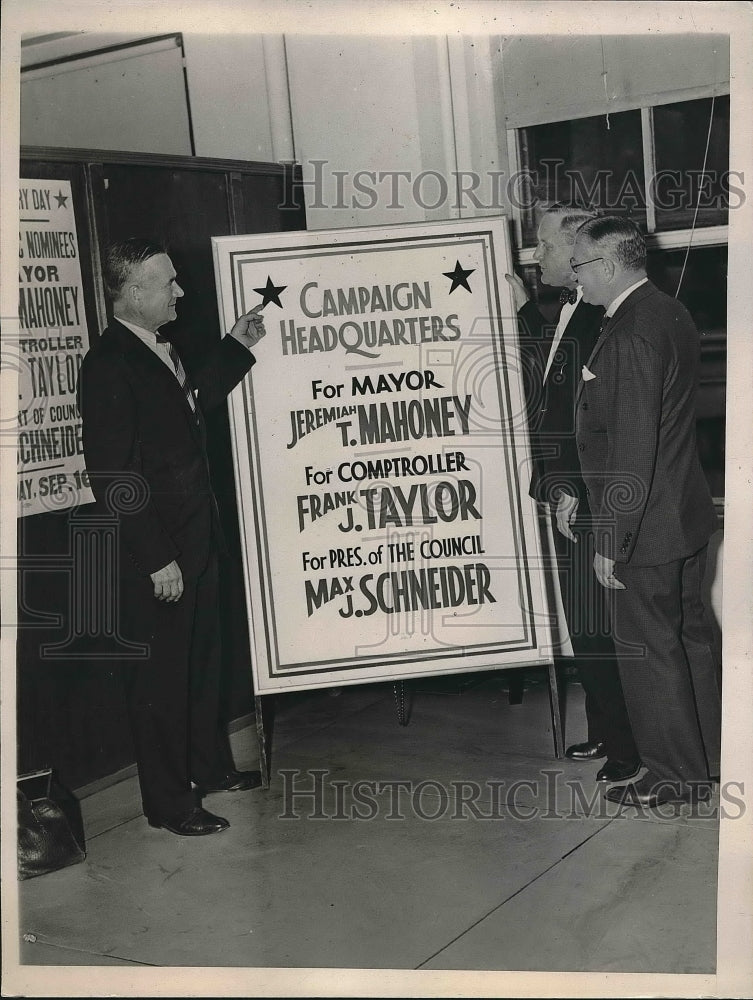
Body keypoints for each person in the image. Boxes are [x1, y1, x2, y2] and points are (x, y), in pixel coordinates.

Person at [77, 238, 267, 836]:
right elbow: (113, 475)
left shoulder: (160, 349)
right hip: (160, 554)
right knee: (161, 681)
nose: (179, 291)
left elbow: (193, 403)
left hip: (197, 540)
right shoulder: (109, 364)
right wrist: (157, 557)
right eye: (167, 283)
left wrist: (237, 345)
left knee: (204, 664)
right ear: (133, 293)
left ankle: (210, 767)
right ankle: (168, 802)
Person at [571, 216, 721, 807]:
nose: (576, 279)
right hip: (681, 513)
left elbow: (633, 443)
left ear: (608, 265)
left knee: (650, 652)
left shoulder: (631, 329)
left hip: (645, 526)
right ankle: (707, 758)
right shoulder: (670, 310)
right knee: (690, 643)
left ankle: (674, 777)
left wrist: (611, 536)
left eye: (580, 266)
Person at [505, 204, 640, 783]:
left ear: (581, 246)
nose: (539, 257)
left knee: (599, 627)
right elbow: (549, 375)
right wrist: (518, 313)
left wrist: (572, 490)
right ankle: (610, 731)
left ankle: (628, 747)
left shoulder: (605, 318)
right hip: (564, 491)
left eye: (547, 246)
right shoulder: (567, 308)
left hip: (585, 496)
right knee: (585, 625)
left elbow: (590, 422)